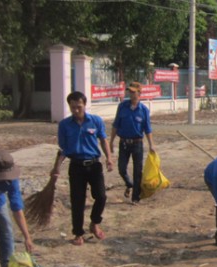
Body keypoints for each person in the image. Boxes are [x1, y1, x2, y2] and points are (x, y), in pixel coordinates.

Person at [52, 91, 113, 246]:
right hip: (76, 166)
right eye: (73, 107)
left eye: (79, 106)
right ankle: (78, 233)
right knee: (77, 201)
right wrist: (56, 167)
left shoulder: (96, 121)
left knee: (101, 196)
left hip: (94, 165)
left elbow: (103, 140)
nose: (76, 110)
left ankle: (95, 222)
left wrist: (109, 159)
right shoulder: (64, 125)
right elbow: (63, 148)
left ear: (85, 105)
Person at [109, 82, 155, 204]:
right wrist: (111, 142)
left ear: (140, 93)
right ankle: (129, 184)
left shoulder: (144, 110)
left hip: (137, 143)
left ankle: (136, 197)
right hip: (123, 143)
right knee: (121, 168)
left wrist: (151, 145)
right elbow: (115, 125)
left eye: (134, 92)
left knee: (137, 170)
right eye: (130, 91)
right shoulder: (122, 106)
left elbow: (147, 129)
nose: (131, 94)